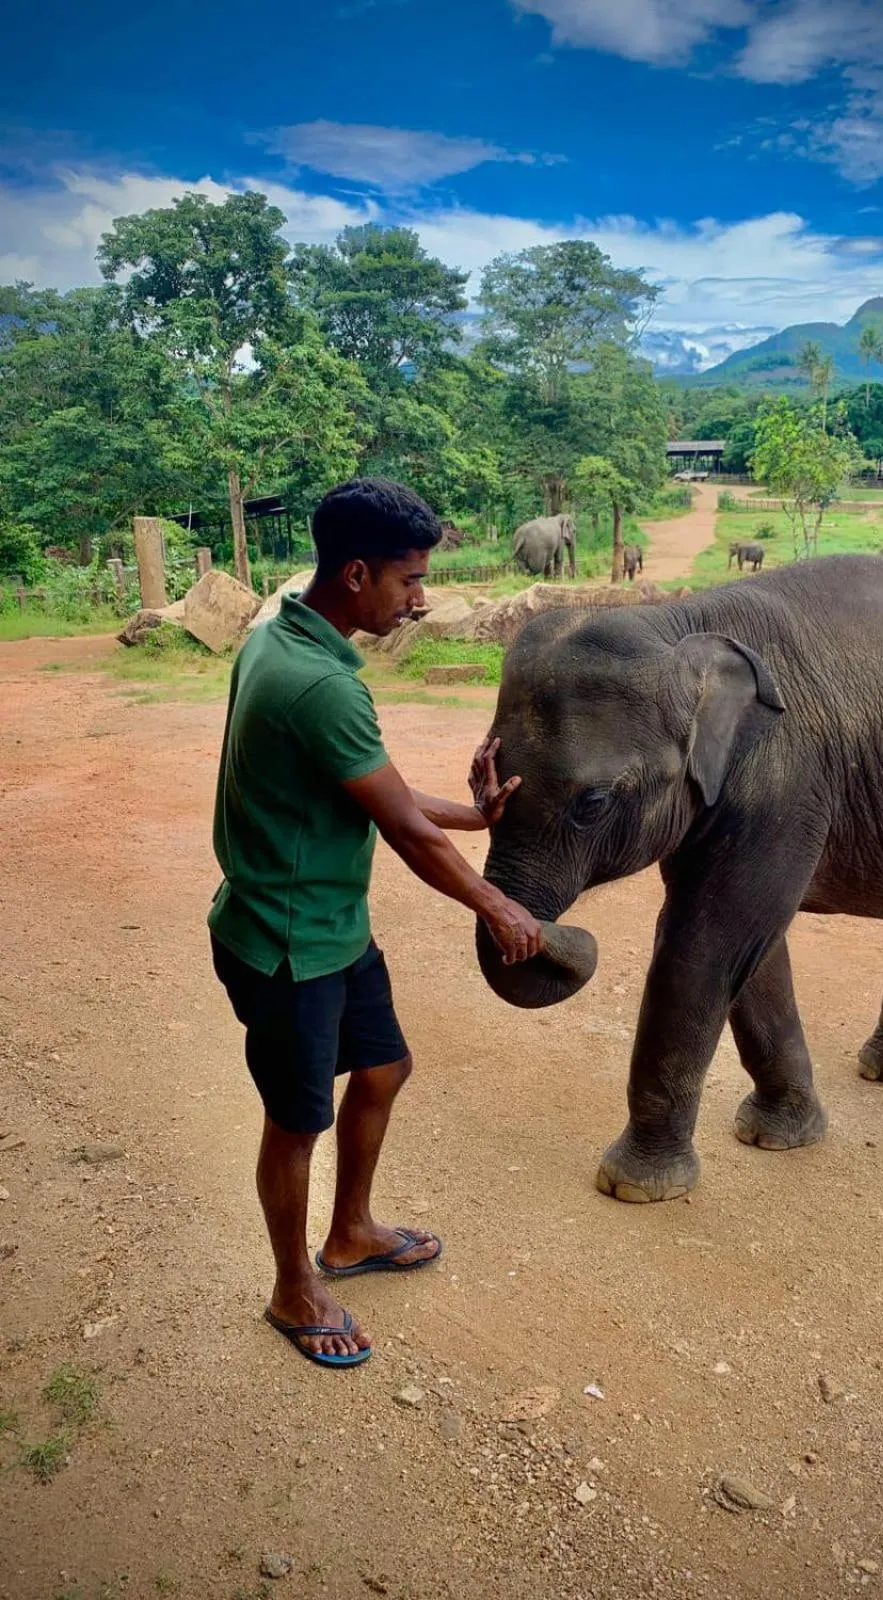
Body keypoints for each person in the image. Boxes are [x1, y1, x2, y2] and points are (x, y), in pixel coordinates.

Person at [209, 478, 542, 1368]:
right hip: (288, 944)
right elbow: (400, 829)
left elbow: (379, 797)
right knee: (296, 1120)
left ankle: (350, 1231)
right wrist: (499, 903)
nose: (420, 598)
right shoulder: (320, 684)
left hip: (329, 927)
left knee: (385, 1067)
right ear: (356, 574)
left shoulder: (280, 636)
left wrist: (477, 818)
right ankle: (292, 1289)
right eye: (408, 580)